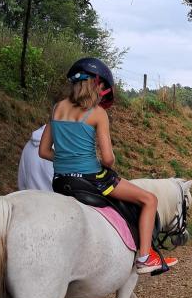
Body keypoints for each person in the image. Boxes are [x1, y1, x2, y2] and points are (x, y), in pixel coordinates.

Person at [39, 57, 177, 275]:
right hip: (92, 179)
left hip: (61, 180)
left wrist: (68, 161)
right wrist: (89, 161)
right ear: (97, 84)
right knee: (149, 199)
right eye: (103, 87)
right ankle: (144, 256)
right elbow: (108, 159)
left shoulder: (56, 109)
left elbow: (44, 151)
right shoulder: (97, 113)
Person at [18, 124, 113, 298]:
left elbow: (21, 183)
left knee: (27, 289)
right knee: (90, 266)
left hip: (29, 215)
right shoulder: (67, 143)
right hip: (60, 215)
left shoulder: (30, 147)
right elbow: (73, 180)